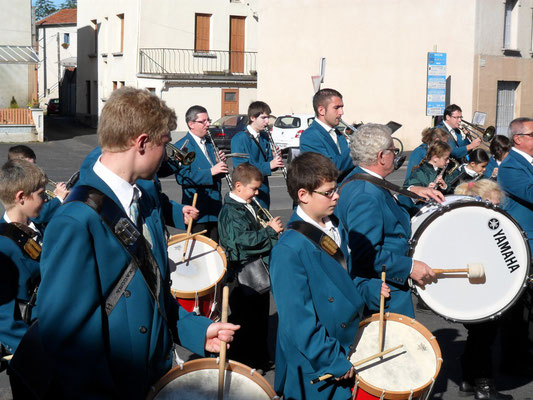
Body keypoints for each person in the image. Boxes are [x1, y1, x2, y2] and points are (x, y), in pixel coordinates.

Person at [12, 87, 239, 399]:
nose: (167, 152)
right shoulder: (75, 221)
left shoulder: (143, 202)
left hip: (151, 376)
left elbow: (152, 292)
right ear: (142, 142)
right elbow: (67, 340)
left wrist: (197, 331)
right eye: (164, 143)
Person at [270, 151, 390, 399]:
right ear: (303, 195)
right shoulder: (289, 249)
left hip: (348, 344)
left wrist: (367, 289)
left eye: (336, 189)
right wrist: (332, 359)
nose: (336, 196)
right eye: (328, 192)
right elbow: (298, 321)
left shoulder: (334, 225)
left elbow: (345, 279)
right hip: (317, 363)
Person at [336, 124, 444, 318]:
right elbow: (367, 254)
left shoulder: (359, 179)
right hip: (383, 292)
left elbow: (385, 211)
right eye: (393, 151)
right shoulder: (365, 195)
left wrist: (410, 193)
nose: (395, 155)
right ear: (381, 156)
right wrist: (409, 267)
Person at [218, 163, 282, 372]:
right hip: (242, 274)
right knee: (245, 321)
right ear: (238, 186)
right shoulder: (230, 211)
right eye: (253, 189)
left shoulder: (248, 204)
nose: (256, 194)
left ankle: (259, 359)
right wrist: (270, 233)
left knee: (259, 318)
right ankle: (245, 365)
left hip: (256, 271)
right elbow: (242, 243)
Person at [453, 180, 513, 400]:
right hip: (479, 289)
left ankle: (468, 380)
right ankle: (484, 388)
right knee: (484, 336)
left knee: (478, 335)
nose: (496, 209)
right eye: (493, 204)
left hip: (474, 289)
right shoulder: (475, 225)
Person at [0, 159, 47, 399]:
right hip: (31, 355)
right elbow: (5, 322)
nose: (46, 199)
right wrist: (38, 358)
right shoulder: (3, 247)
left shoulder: (38, 227)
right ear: (21, 197)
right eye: (40, 194)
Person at [497, 117, 533, 377]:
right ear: (518, 139)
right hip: (525, 243)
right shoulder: (511, 167)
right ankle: (512, 362)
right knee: (517, 308)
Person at [174, 105, 228, 242]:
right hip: (197, 210)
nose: (208, 124)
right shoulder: (183, 146)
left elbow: (216, 174)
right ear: (191, 124)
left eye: (208, 120)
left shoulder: (209, 143)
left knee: (215, 252)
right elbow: (183, 177)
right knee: (198, 254)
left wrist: (219, 165)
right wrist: (211, 171)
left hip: (214, 208)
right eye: (203, 121)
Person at [231, 101, 284, 209]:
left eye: (268, 117)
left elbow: (269, 163)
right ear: (252, 118)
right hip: (247, 192)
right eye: (263, 117)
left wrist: (274, 157)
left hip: (263, 190)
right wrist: (268, 165)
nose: (267, 121)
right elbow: (241, 168)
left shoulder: (264, 136)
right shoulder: (239, 138)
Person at [7, 145, 69, 225]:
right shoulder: (18, 186)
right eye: (29, 166)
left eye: (34, 164)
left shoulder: (29, 181)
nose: (35, 169)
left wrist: (54, 196)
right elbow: (37, 216)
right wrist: (59, 199)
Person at [300, 88, 353, 180]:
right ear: (321, 110)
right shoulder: (310, 136)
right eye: (337, 108)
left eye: (342, 107)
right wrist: (359, 148)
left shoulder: (337, 132)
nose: (341, 112)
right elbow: (330, 169)